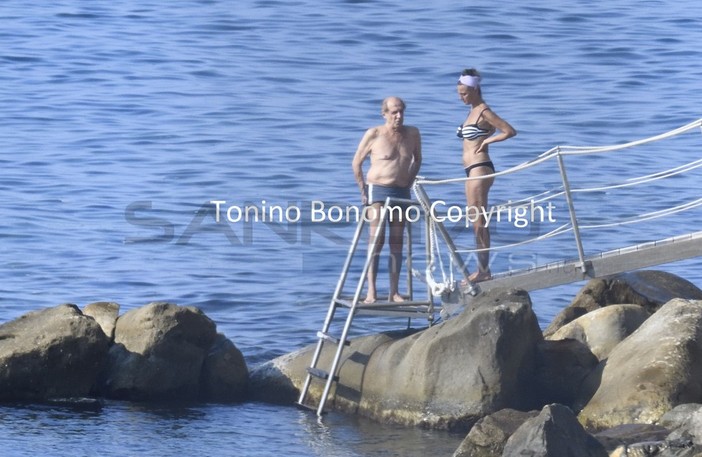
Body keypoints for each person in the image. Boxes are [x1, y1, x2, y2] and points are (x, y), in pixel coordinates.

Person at [352, 96, 422, 303]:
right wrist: (363, 191)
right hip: (379, 192)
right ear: (384, 114)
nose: (399, 116)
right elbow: (356, 163)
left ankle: (394, 291)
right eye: (394, 112)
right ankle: (371, 291)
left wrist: (409, 181)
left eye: (401, 111)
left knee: (397, 242)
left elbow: (418, 160)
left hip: (402, 192)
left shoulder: (412, 133)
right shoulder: (374, 134)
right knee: (376, 241)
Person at [456, 68, 516, 282]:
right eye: (459, 93)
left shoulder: (483, 111)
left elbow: (509, 130)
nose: (460, 97)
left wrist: (487, 141)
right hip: (470, 170)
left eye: (464, 93)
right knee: (475, 221)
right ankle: (481, 269)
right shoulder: (471, 111)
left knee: (480, 220)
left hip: (480, 167)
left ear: (474, 90)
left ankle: (483, 271)